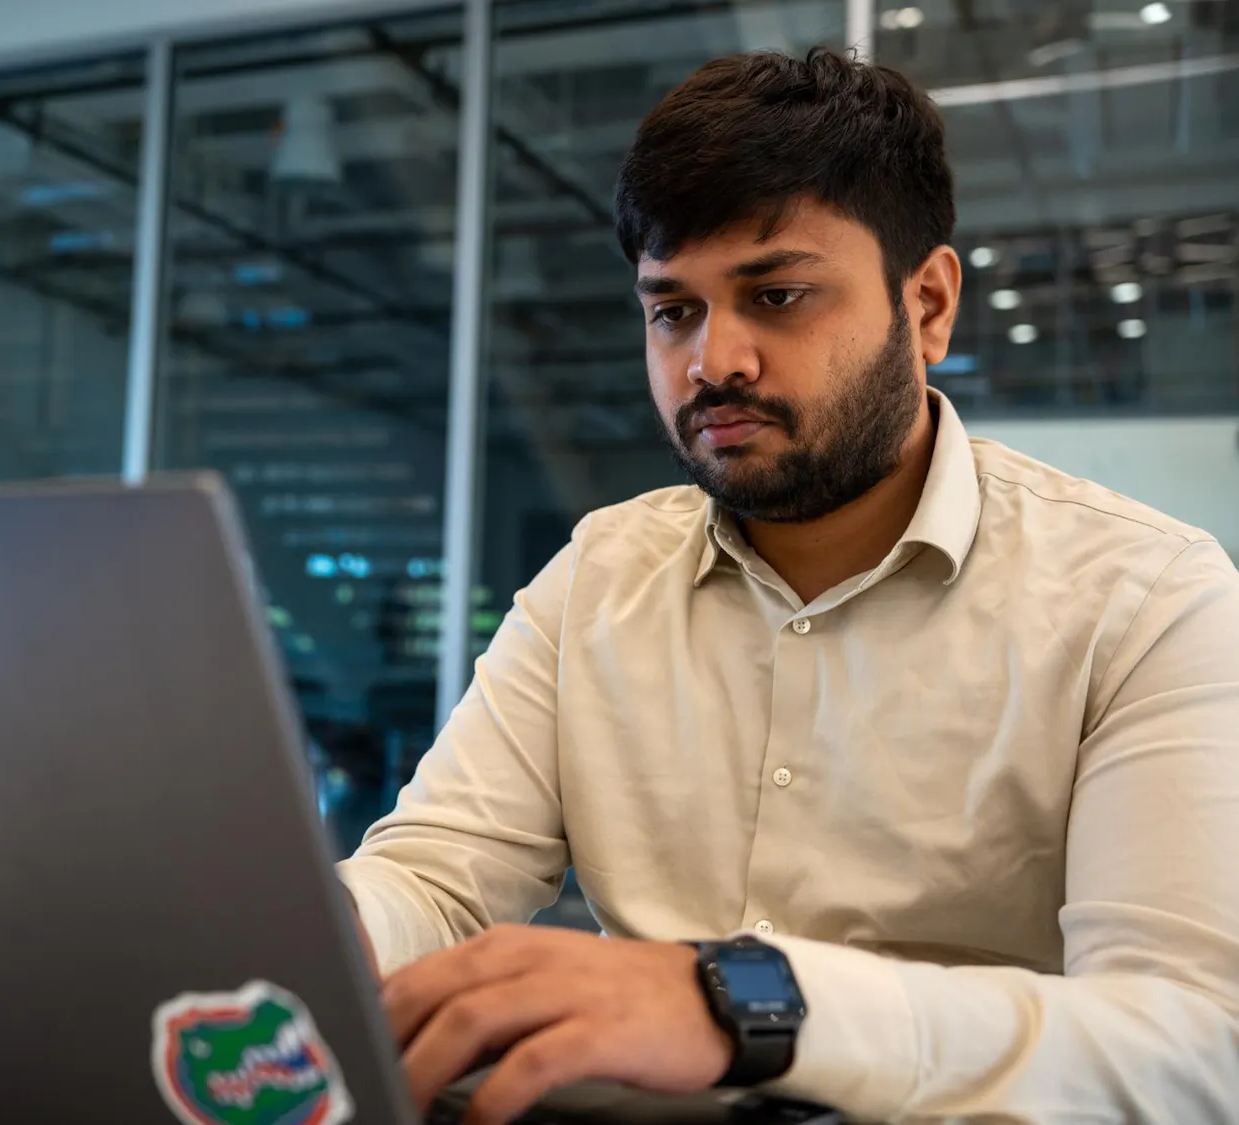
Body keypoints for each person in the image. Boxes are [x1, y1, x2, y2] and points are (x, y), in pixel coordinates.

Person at [337, 46, 1239, 1124]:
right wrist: (300, 934)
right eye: (673, 311)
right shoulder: (599, 577)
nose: (716, 361)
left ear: (932, 304)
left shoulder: (1147, 599)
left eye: (777, 294)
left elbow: (1191, 1044)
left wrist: (743, 1006)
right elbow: (436, 879)